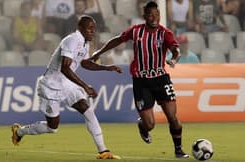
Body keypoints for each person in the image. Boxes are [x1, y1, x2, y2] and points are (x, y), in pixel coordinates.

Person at [11, 15, 121, 160]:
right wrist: (85, 86)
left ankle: (103, 151)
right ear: (80, 28)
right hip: (51, 86)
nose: (93, 31)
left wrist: (107, 68)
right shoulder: (72, 40)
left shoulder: (84, 43)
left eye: (94, 29)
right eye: (90, 28)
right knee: (52, 128)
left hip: (66, 84)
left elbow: (84, 63)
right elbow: (65, 68)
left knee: (87, 110)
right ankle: (19, 132)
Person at [91, 1, 189, 158]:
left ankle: (178, 149)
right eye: (150, 15)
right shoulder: (136, 31)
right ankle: (142, 127)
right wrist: (99, 52)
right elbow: (117, 40)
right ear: (144, 16)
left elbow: (175, 50)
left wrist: (174, 60)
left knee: (172, 116)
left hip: (161, 79)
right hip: (141, 82)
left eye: (157, 15)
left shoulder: (165, 33)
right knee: (150, 124)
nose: (154, 18)